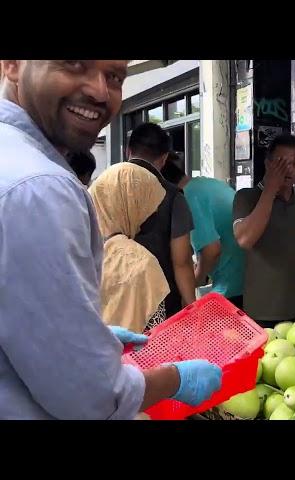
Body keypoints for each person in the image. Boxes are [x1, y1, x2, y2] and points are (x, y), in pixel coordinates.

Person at [0, 60, 220, 419]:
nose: (100, 91)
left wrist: (89, 338)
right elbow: (91, 395)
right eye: (74, 63)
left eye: (115, 76)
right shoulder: (42, 189)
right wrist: (176, 379)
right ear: (11, 65)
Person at [233, 134, 295, 326]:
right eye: (282, 163)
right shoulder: (246, 197)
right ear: (268, 164)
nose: (289, 169)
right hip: (262, 310)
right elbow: (245, 240)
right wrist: (271, 189)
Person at [89, 162, 170, 333]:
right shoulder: (141, 262)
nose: (154, 212)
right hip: (125, 357)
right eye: (147, 203)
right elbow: (154, 332)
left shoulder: (75, 246)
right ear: (129, 203)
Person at [126, 123, 196, 317]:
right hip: (161, 304)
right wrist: (192, 307)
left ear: (128, 151)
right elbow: (181, 261)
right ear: (164, 158)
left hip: (114, 301)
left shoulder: (103, 188)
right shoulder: (173, 197)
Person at [162, 154, 245, 308]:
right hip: (247, 281)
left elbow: (211, 250)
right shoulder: (209, 184)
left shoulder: (188, 197)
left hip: (231, 288)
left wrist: (194, 281)